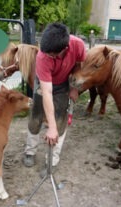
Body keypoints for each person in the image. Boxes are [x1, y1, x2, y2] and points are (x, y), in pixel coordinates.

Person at [23, 23, 86, 175]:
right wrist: (50, 127)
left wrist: (73, 87)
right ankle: (30, 151)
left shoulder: (78, 45)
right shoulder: (42, 57)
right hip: (44, 83)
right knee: (35, 117)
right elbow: (47, 91)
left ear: (64, 48)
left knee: (60, 122)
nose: (47, 55)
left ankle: (52, 161)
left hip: (64, 83)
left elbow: (79, 64)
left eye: (51, 54)